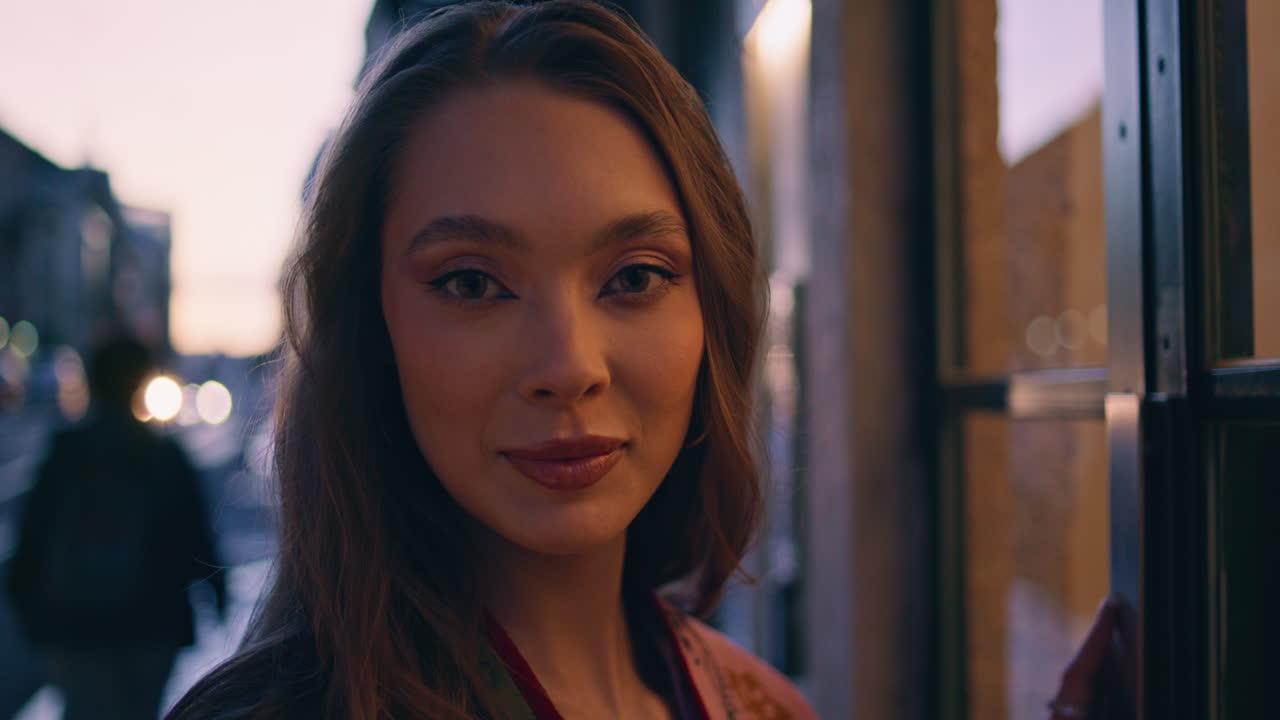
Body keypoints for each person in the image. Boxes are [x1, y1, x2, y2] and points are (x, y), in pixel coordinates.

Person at [165, 2, 1124, 718]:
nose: (568, 364)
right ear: (369, 330)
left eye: (633, 277)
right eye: (470, 284)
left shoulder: (761, 706)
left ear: (715, 311)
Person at [6, 336, 228, 720]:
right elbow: (195, 537)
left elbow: (33, 538)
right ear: (141, 381)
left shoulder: (65, 454)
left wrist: (29, 607)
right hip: (150, 624)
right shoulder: (163, 456)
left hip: (75, 626)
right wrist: (215, 594)